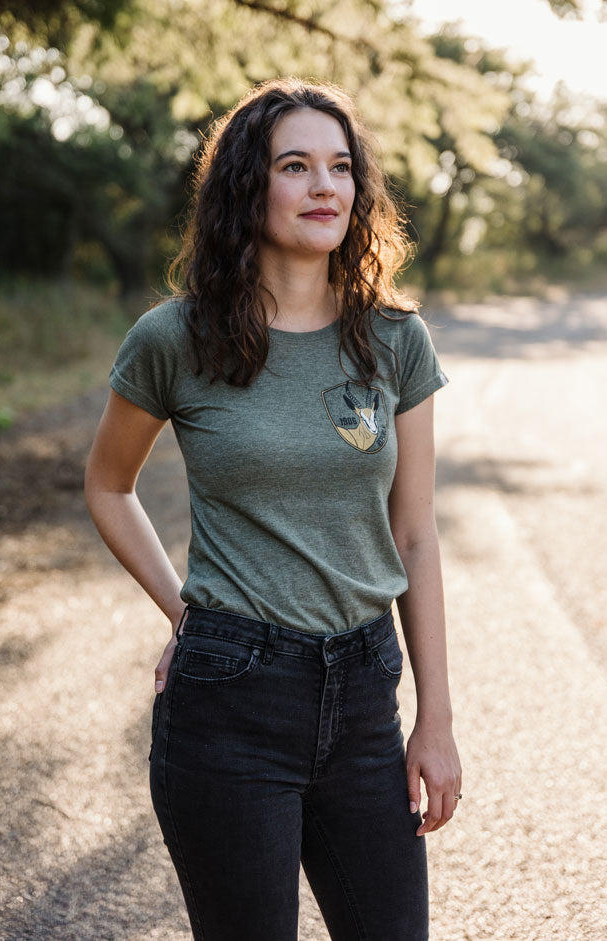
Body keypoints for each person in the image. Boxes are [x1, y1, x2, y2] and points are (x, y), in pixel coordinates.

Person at [84, 77, 462, 941]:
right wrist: (185, 610)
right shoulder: (173, 339)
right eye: (296, 166)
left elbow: (414, 532)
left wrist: (435, 720)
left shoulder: (396, 339)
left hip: (366, 696)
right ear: (248, 187)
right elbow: (108, 485)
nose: (325, 186)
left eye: (340, 167)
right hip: (229, 702)